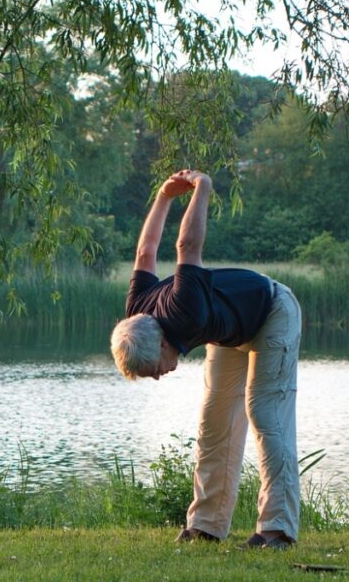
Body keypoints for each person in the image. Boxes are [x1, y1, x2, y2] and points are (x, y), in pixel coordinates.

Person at [109, 169, 302, 549]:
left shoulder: (184, 310)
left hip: (273, 311)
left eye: (154, 371)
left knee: (265, 414)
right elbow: (145, 252)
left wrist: (202, 189)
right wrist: (163, 197)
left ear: (162, 344)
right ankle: (206, 525)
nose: (160, 377)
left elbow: (187, 247)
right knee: (214, 423)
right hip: (230, 330)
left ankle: (277, 529)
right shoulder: (137, 311)